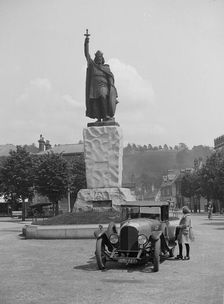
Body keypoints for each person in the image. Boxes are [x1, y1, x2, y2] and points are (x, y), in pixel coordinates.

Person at [84, 30, 118, 122]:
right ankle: (99, 118)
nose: (99, 59)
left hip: (103, 86)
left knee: (102, 96)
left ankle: (106, 116)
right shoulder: (92, 65)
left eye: (100, 58)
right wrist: (86, 42)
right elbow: (87, 55)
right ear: (95, 59)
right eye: (97, 58)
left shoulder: (106, 67)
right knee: (96, 102)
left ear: (102, 59)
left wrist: (112, 89)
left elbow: (110, 77)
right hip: (94, 87)